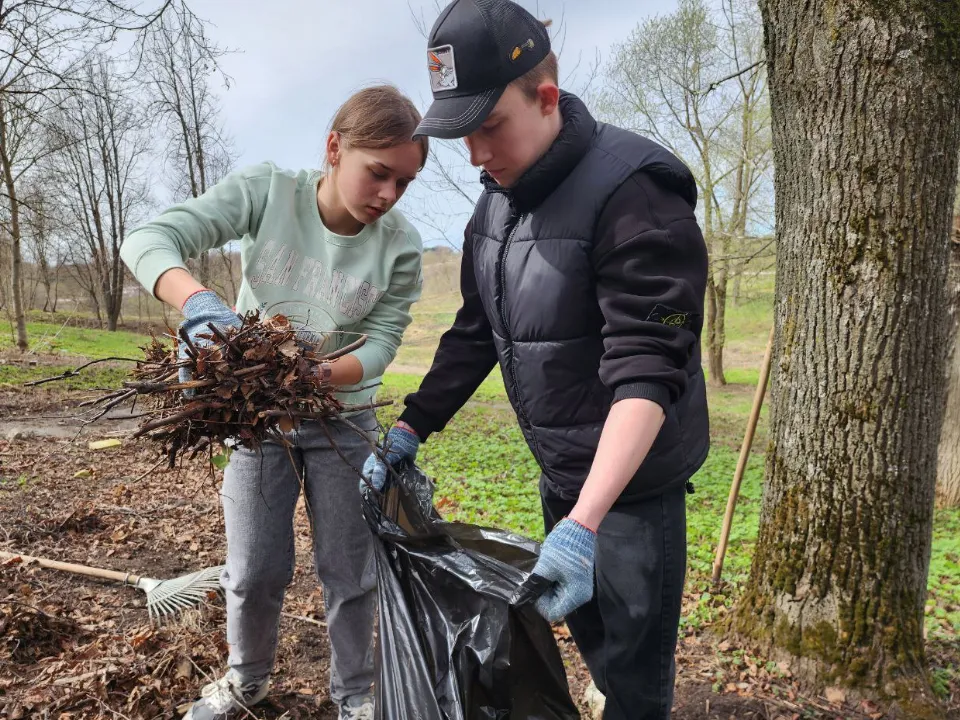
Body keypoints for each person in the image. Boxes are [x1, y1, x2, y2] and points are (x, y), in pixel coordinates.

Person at [362, 3, 709, 718]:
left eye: (490, 126)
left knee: (638, 675)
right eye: (463, 133)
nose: (477, 153)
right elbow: (474, 333)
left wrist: (585, 522)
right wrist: (412, 427)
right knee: (597, 643)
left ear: (545, 98)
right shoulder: (493, 209)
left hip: (632, 492)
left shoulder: (637, 192)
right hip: (562, 477)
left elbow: (648, 367)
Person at [120, 85, 428, 720]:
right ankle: (247, 680)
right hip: (261, 425)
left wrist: (319, 373)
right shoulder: (268, 192)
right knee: (255, 569)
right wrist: (199, 304)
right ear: (334, 148)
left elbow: (386, 339)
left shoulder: (400, 244)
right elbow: (148, 239)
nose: (388, 195)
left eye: (405, 182)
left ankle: (356, 697)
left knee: (350, 575)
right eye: (378, 173)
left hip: (346, 425)